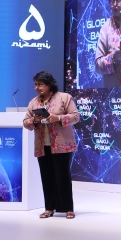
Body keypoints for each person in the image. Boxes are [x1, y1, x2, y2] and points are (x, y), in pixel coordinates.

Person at [23, 71, 80, 219]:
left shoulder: (64, 97)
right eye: (36, 85)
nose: (37, 87)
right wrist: (33, 121)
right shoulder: (33, 102)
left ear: (49, 85)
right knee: (46, 177)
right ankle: (49, 208)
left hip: (62, 144)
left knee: (62, 176)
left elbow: (75, 116)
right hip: (42, 146)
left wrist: (58, 118)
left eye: (40, 84)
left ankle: (68, 208)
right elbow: (25, 122)